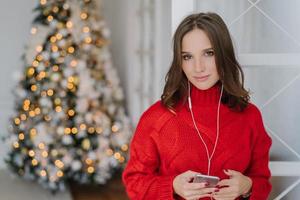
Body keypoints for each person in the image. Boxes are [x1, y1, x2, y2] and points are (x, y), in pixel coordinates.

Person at [122, 12, 272, 200]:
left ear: (223, 54)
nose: (198, 67)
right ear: (179, 61)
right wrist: (172, 186)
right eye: (187, 57)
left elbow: (263, 181)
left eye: (209, 53)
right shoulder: (157, 117)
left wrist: (248, 186)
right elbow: (134, 183)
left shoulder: (250, 116)